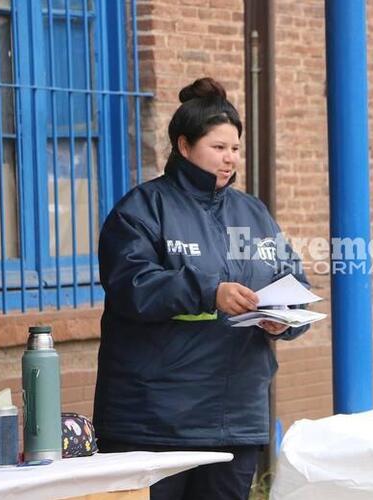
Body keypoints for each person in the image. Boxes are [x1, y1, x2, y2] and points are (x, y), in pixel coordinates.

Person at [93, 77, 310, 500]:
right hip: (154, 421)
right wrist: (210, 291)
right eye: (218, 147)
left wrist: (284, 320)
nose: (229, 159)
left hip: (236, 416)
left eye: (234, 148)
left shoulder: (252, 213)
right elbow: (132, 286)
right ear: (184, 145)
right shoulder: (141, 209)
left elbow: (294, 281)